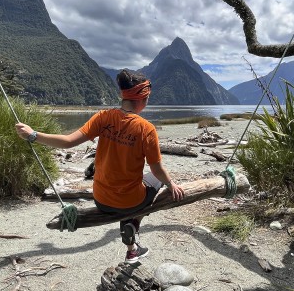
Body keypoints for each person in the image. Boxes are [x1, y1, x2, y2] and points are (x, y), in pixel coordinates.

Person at [15, 69, 184, 263]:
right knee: (155, 181)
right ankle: (134, 223)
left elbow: (68, 141)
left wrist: (33, 135)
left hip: (101, 199)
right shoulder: (146, 129)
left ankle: (132, 250)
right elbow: (157, 170)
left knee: (132, 188)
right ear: (143, 98)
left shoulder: (103, 117)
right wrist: (172, 185)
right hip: (130, 201)